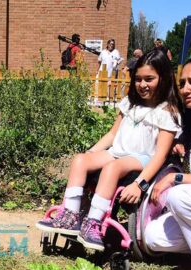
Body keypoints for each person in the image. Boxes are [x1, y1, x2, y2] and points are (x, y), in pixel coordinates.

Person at [36, 50, 182, 251]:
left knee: (113, 167)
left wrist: (139, 185)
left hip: (142, 158)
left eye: (149, 79)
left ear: (163, 78)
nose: (142, 84)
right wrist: (91, 153)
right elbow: (112, 135)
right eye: (138, 79)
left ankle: (94, 222)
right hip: (117, 151)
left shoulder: (166, 111)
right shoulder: (130, 103)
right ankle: (70, 215)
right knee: (80, 160)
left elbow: (160, 155)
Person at [145, 54, 191, 270]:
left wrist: (175, 179)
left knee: (178, 196)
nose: (186, 89)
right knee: (153, 237)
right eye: (182, 83)